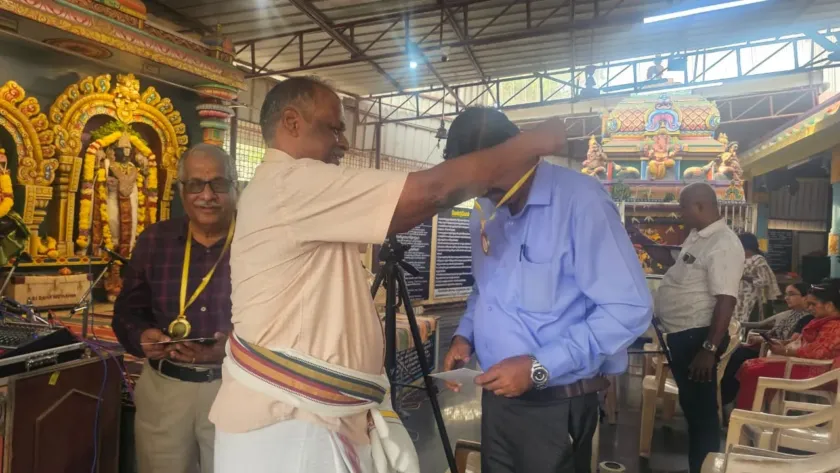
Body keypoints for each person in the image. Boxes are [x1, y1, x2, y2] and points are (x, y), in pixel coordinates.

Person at [208, 77, 570, 473]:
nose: (343, 142)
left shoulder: (294, 189)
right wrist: (530, 144)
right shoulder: (290, 183)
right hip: (289, 428)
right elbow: (429, 192)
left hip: (313, 420)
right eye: (334, 128)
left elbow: (413, 207)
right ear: (292, 123)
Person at [439, 108, 652, 473]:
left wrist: (539, 367)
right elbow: (485, 288)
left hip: (555, 406)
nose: (481, 190)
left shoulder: (580, 202)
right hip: (498, 399)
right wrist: (465, 335)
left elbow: (628, 308)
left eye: (487, 177)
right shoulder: (486, 209)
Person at [112, 144, 238, 473]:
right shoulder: (156, 240)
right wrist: (142, 336)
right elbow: (127, 310)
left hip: (236, 389)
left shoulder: (257, 241)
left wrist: (232, 349)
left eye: (219, 184)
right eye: (196, 184)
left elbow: (282, 319)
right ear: (182, 190)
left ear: (235, 186)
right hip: (165, 392)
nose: (207, 195)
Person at [633, 182, 744, 473]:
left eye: (683, 206)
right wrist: (640, 238)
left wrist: (708, 348)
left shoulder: (724, 243)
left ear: (700, 205)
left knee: (702, 415)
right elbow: (670, 261)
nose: (680, 213)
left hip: (699, 338)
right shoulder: (698, 238)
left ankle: (703, 469)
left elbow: (726, 299)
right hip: (684, 336)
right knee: (693, 409)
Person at [735, 279, 840, 409]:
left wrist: (784, 351)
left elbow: (817, 352)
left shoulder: (835, 326)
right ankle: (753, 412)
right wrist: (783, 346)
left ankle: (745, 416)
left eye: (813, 304)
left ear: (829, 305)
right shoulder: (822, 321)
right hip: (804, 364)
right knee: (750, 365)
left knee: (753, 370)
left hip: (819, 372)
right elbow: (804, 344)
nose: (809, 308)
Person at [720, 282, 813, 405]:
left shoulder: (808, 318)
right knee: (733, 353)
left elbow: (792, 342)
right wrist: (761, 339)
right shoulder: (790, 314)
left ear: (805, 297)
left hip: (779, 354)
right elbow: (772, 334)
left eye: (791, 294)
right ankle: (723, 397)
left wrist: (765, 341)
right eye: (786, 294)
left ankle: (725, 399)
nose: (786, 298)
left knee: (740, 358)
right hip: (770, 348)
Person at [733, 232, 781, 322]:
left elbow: (763, 281)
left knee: (748, 323)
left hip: (751, 299)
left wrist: (744, 277)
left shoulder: (758, 260)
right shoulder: (740, 258)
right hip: (738, 299)